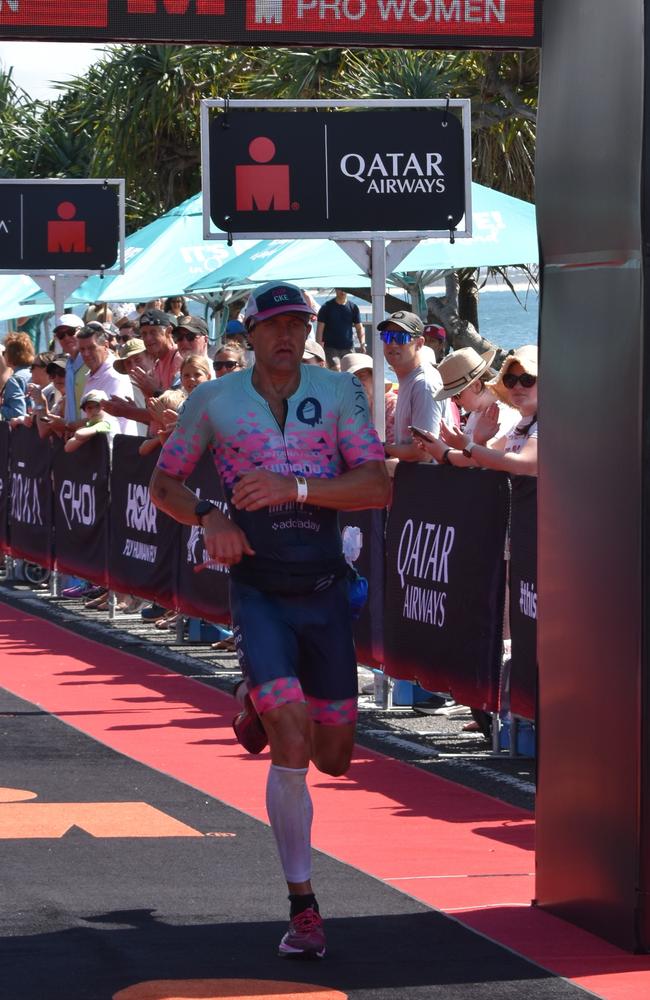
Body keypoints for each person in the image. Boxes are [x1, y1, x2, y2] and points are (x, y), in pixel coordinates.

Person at [149, 279, 390, 959]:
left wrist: (298, 488)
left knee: (334, 759)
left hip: (322, 589)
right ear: (248, 333)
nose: (288, 335)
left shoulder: (340, 393)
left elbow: (377, 486)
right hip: (258, 590)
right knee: (290, 739)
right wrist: (210, 515)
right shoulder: (214, 400)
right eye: (275, 324)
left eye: (299, 324)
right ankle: (303, 907)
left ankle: (250, 697)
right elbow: (163, 485)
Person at [414, 344, 538, 476]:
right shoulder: (520, 423)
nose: (517, 386)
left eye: (527, 379)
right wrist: (449, 448)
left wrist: (457, 449)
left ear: (477, 385)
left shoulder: (544, 423)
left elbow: (526, 466)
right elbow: (486, 458)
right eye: (510, 380)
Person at [380, 310, 449, 473]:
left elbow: (423, 452)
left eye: (401, 338)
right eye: (387, 337)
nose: (393, 344)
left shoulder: (423, 384)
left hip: (429, 484)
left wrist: (381, 448)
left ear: (419, 343)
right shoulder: (409, 380)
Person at [433, 346, 520, 444]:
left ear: (476, 386)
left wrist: (457, 446)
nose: (453, 400)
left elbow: (489, 456)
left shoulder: (504, 414)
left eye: (456, 395)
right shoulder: (476, 412)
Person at [340, 352, 398, 444]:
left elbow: (395, 448)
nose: (357, 382)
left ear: (375, 378)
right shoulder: (346, 409)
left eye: (362, 376)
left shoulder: (391, 403)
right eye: (351, 378)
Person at [315, 289, 366, 366]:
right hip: (330, 348)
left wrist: (362, 343)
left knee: (351, 371)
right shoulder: (326, 307)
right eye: (340, 289)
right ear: (335, 290)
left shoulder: (353, 307)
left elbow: (359, 328)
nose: (342, 292)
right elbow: (319, 330)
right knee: (336, 369)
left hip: (348, 348)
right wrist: (318, 350)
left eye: (344, 290)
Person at [1, 332, 35, 421]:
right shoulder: (33, 373)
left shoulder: (15, 380)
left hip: (22, 432)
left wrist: (1, 407)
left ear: (12, 355)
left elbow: (18, 412)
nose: (3, 355)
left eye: (5, 352)